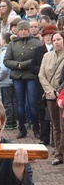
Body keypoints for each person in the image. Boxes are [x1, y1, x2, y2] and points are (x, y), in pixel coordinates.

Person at [4, 20, 41, 139]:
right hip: (17, 77)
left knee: (32, 104)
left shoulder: (36, 42)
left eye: (26, 29)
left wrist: (22, 64)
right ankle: (22, 128)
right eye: (21, 30)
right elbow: (7, 60)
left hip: (30, 76)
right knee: (19, 104)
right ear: (18, 31)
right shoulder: (12, 44)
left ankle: (36, 127)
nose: (24, 32)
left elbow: (37, 59)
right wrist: (17, 65)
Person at [39, 30, 64, 165]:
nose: (56, 42)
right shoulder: (47, 56)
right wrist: (50, 91)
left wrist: (58, 92)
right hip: (50, 96)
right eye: (54, 40)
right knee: (55, 126)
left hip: (63, 96)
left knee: (63, 125)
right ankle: (59, 154)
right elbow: (41, 75)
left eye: (59, 39)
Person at [30, 23, 58, 145]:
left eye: (51, 35)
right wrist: (42, 71)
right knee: (43, 112)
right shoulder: (38, 50)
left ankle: (55, 139)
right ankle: (44, 137)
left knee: (55, 115)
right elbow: (32, 66)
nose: (48, 37)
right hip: (41, 85)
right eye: (46, 35)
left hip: (55, 86)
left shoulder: (58, 51)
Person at [0, 32, 18, 129]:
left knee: (7, 102)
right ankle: (14, 121)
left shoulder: (4, 52)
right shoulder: (14, 50)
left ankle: (9, 121)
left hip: (5, 81)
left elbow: (3, 68)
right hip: (13, 79)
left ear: (4, 40)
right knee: (13, 101)